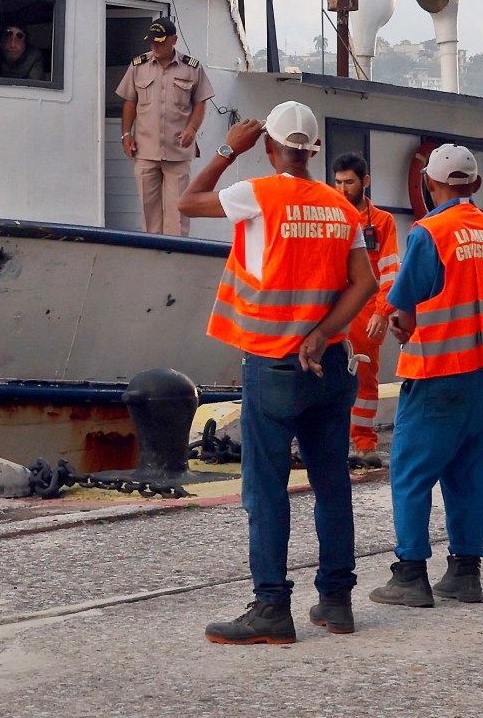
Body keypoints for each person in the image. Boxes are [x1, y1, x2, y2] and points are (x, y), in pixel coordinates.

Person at [179, 103, 375, 645]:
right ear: (314, 150)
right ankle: (336, 603)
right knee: (331, 485)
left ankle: (271, 610)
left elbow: (187, 201)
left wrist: (225, 151)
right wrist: (320, 333)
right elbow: (365, 284)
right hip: (330, 363)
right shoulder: (342, 208)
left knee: (266, 493)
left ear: (269, 147)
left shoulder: (259, 194)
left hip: (272, 366)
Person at [370, 144, 483, 610]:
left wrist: (399, 321)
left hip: (437, 373)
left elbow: (406, 298)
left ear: (429, 184)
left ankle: (411, 575)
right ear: (474, 185)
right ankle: (465, 573)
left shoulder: (430, 232)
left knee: (411, 475)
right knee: (471, 477)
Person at [329, 153, 402, 466]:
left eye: (349, 182)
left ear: (365, 182)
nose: (343, 188)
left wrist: (382, 312)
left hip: (366, 311)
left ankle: (364, 443)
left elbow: (390, 272)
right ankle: (327, 441)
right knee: (325, 374)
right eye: (338, 182)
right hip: (331, 307)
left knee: (364, 377)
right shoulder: (330, 216)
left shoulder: (383, 222)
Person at [115, 17, 214, 237]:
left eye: (160, 41)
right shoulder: (138, 66)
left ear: (174, 40)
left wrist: (192, 129)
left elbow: (200, 102)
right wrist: (125, 135)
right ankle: (151, 258)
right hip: (145, 150)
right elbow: (130, 101)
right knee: (148, 215)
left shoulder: (191, 68)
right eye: (152, 42)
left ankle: (176, 259)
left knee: (178, 214)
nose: (155, 46)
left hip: (178, 151)